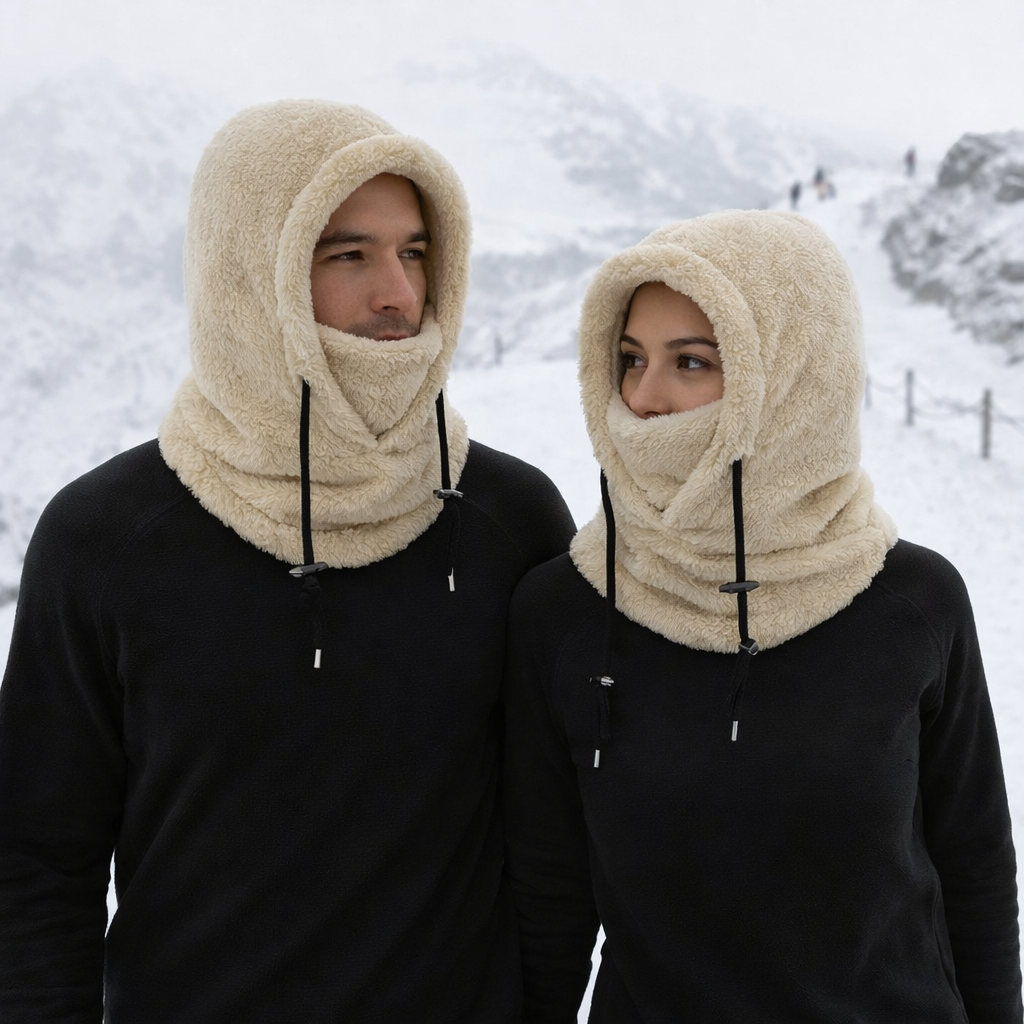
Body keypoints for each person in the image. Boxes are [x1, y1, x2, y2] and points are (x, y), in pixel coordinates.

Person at [0, 100, 575, 1021]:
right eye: (348, 254)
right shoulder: (105, 540)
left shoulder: (509, 520)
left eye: (415, 251)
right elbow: (36, 861)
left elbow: (557, 839)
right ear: (248, 272)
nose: (399, 294)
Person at [503, 210, 1022, 1022]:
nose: (643, 398)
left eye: (693, 362)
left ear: (793, 379)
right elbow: (549, 894)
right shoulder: (564, 613)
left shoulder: (914, 603)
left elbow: (975, 864)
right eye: (630, 359)